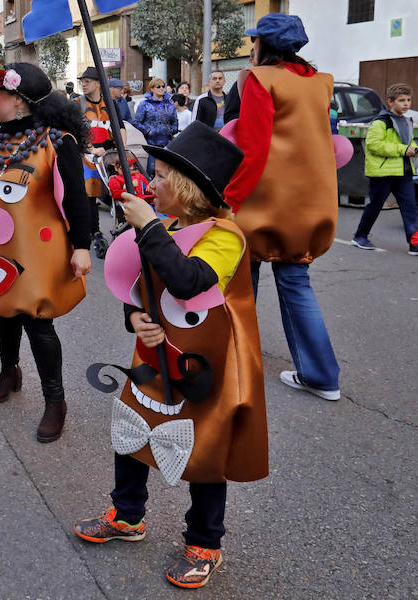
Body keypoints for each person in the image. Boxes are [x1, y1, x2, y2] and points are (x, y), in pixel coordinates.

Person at [77, 121, 267, 590]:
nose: (152, 181)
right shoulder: (166, 226)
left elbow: (189, 281)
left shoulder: (226, 237)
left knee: (205, 449)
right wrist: (132, 317)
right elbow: (142, 286)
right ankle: (127, 515)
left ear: (187, 188)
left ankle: (205, 543)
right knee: (131, 432)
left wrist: (146, 227)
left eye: (161, 175)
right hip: (152, 354)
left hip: (204, 364)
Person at [0, 62, 92, 443]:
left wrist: (84, 246)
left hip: (36, 250)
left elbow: (77, 197)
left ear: (20, 101)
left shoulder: (58, 141)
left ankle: (55, 401)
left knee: (38, 320)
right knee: (2, 308)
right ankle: (10, 371)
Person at [225, 13, 342, 401]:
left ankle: (236, 366)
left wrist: (228, 199)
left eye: (254, 41)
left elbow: (252, 149)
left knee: (243, 285)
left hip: (262, 201)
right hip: (311, 202)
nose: (251, 47)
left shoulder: (261, 79)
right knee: (296, 281)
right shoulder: (321, 83)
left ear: (264, 45)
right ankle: (322, 375)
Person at [352, 83, 417, 255]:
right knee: (375, 206)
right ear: (390, 102)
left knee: (410, 208)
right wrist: (402, 150)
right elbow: (374, 145)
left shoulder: (407, 121)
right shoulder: (381, 122)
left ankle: (415, 244)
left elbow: (407, 142)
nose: (406, 104)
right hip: (383, 173)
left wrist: (414, 148)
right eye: (401, 100)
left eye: (409, 100)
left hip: (404, 172)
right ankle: (360, 236)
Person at [75, 66, 127, 259]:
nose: (84, 84)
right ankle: (95, 233)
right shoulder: (77, 103)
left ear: (98, 83)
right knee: (90, 193)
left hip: (108, 156)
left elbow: (120, 128)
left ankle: (122, 228)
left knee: (120, 190)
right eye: (82, 81)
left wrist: (118, 150)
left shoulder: (110, 104)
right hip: (86, 157)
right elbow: (72, 130)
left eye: (87, 81)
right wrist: (89, 149)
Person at [134, 77, 178, 179]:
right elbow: (136, 122)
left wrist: (172, 130)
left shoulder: (170, 103)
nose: (162, 88)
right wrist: (148, 131)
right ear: (152, 89)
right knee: (151, 170)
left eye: (163, 86)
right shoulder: (144, 104)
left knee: (168, 171)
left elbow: (175, 121)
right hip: (151, 144)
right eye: (158, 87)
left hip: (167, 143)